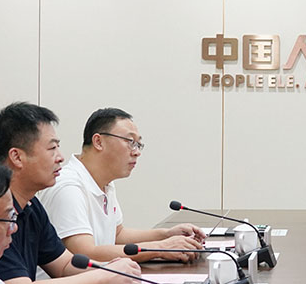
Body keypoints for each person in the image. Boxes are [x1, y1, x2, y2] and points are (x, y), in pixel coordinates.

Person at [0, 102, 143, 284]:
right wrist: (102, 277)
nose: (60, 157)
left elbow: (65, 265)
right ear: (17, 157)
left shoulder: (31, 205)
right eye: (52, 148)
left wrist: (111, 269)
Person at [39, 107, 205, 263]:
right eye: (130, 141)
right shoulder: (68, 187)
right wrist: (160, 248)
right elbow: (85, 253)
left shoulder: (105, 183)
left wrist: (166, 234)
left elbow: (117, 235)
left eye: (138, 144)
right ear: (98, 141)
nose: (136, 152)